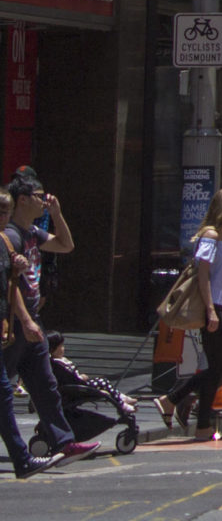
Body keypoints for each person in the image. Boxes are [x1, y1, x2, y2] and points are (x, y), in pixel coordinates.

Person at [2, 178, 94, 460]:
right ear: (23, 200)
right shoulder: (11, 236)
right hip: (17, 322)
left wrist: (56, 214)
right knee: (6, 386)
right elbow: (8, 285)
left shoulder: (32, 232)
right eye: (39, 196)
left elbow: (66, 245)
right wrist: (26, 320)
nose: (44, 200)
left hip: (31, 320)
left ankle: (63, 442)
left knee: (44, 383)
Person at [157, 189, 222, 441]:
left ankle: (189, 412)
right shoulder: (211, 236)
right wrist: (211, 310)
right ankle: (175, 401)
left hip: (219, 306)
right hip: (211, 307)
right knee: (220, 366)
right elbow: (202, 274)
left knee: (220, 367)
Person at [0, 189, 61, 479]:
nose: (3, 217)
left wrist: (15, 269)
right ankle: (22, 460)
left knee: (3, 394)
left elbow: (9, 288)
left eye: (4, 212)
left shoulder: (3, 242)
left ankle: (23, 461)